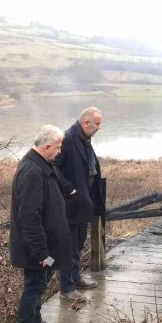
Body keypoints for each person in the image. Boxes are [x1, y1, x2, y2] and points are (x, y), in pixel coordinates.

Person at [10, 125, 71, 323]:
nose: (59, 151)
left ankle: (34, 321)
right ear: (46, 147)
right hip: (36, 249)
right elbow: (28, 217)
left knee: (40, 284)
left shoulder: (41, 164)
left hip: (46, 245)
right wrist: (41, 253)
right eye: (57, 147)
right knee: (33, 288)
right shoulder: (32, 171)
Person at [55, 107, 105, 302]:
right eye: (97, 124)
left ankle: (75, 278)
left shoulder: (84, 139)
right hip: (70, 204)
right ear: (86, 123)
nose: (99, 127)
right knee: (68, 247)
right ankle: (66, 288)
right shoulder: (67, 139)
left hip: (83, 203)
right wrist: (68, 188)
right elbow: (53, 166)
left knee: (78, 244)